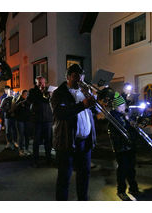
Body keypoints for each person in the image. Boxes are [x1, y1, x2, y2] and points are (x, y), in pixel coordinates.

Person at [51, 64, 96, 201]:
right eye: (76, 77)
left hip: (85, 141)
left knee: (84, 175)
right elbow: (61, 113)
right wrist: (83, 104)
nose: (80, 81)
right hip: (67, 141)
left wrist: (95, 106)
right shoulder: (59, 93)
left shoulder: (85, 91)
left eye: (82, 77)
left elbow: (91, 112)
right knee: (65, 177)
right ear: (68, 77)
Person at [108, 91, 141, 201]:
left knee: (131, 168)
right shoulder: (113, 118)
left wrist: (133, 124)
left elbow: (132, 130)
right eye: (121, 105)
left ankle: (133, 187)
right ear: (116, 107)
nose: (123, 107)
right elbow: (116, 134)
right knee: (122, 169)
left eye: (124, 105)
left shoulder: (124, 116)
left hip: (130, 146)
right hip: (121, 148)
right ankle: (121, 190)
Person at [26, 76, 53, 167]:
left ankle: (48, 159)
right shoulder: (32, 91)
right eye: (40, 83)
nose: (42, 84)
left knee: (48, 141)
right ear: (36, 83)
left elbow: (50, 102)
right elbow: (29, 100)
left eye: (43, 83)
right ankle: (35, 160)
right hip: (37, 120)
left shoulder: (48, 91)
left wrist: (51, 95)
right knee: (36, 141)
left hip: (47, 120)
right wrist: (40, 92)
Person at [13, 90, 31, 156]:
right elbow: (15, 108)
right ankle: (21, 149)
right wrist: (21, 103)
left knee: (27, 135)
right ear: (22, 94)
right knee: (21, 135)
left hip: (27, 120)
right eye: (25, 94)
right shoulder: (19, 100)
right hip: (20, 120)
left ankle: (26, 148)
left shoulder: (28, 101)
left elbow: (30, 109)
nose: (26, 95)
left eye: (27, 94)